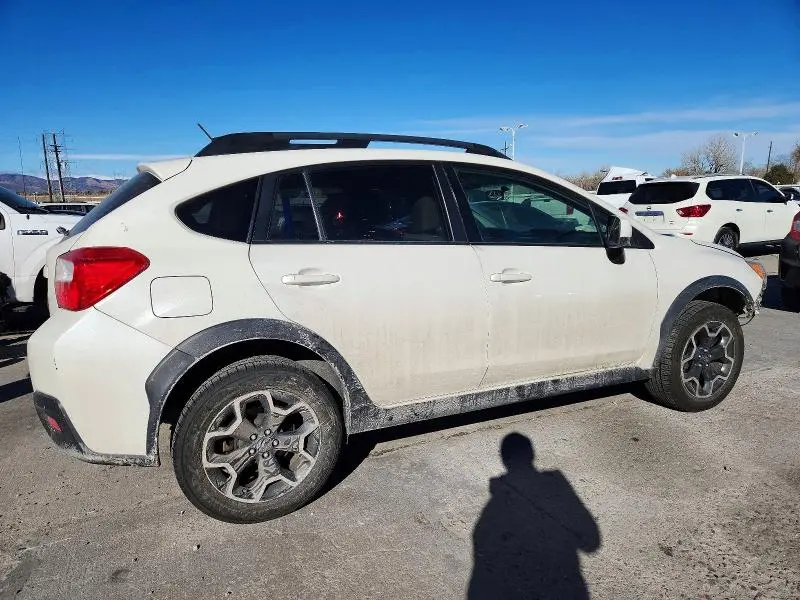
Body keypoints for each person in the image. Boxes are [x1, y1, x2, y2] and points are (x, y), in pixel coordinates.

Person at [468, 433, 601, 599]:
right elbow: (592, 542)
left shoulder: (490, 514)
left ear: (504, 460)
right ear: (532, 455)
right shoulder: (556, 489)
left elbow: (483, 570)